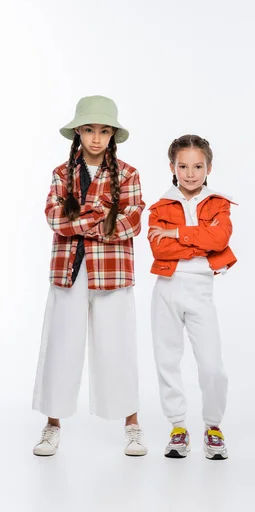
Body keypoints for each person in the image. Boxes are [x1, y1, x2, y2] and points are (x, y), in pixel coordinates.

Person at [32, 95, 147, 457]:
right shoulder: (61, 174)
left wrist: (81, 221)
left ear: (113, 134)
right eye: (88, 129)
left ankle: (132, 424)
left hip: (112, 272)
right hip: (69, 269)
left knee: (119, 345)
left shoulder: (127, 173)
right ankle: (52, 425)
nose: (96, 138)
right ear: (78, 132)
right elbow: (53, 217)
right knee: (61, 345)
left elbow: (132, 221)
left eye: (103, 130)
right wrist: (101, 214)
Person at [148, 134, 236, 460]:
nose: (190, 173)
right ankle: (177, 428)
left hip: (201, 290)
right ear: (172, 167)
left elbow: (220, 237)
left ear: (208, 167)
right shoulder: (159, 206)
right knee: (167, 361)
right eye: (183, 166)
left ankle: (213, 426)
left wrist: (177, 233)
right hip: (166, 289)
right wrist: (199, 239)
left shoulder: (219, 203)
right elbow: (160, 247)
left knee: (212, 366)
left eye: (197, 166)